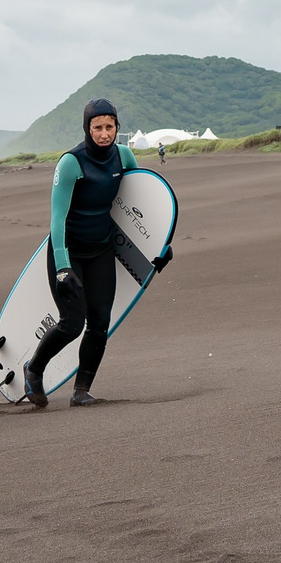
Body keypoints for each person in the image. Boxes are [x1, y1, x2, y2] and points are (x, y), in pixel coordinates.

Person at [23, 99, 170, 408]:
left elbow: (140, 208)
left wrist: (162, 245)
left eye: (110, 127)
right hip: (68, 250)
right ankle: (33, 369)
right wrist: (63, 266)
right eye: (98, 127)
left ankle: (81, 390)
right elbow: (57, 218)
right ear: (87, 129)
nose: (104, 134)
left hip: (101, 249)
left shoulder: (124, 156)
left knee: (100, 323)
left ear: (117, 127)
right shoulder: (71, 162)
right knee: (72, 323)